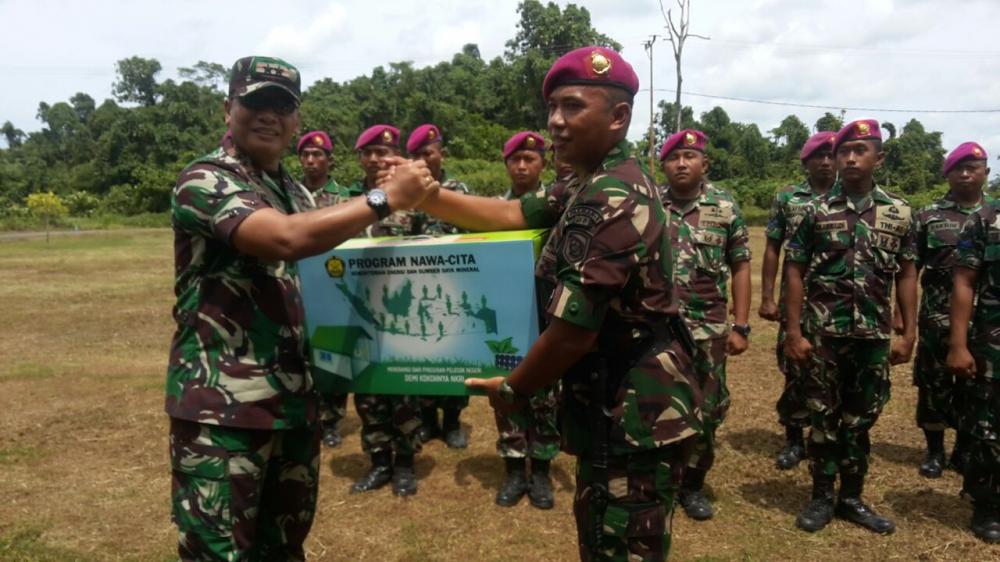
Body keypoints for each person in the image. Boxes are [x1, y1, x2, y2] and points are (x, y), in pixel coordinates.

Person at [411, 46, 702, 562]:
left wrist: (513, 387)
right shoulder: (583, 181)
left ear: (617, 117)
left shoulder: (611, 195)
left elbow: (575, 331)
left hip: (631, 406)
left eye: (572, 106)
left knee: (620, 541)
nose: (555, 122)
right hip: (614, 396)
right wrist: (424, 197)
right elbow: (509, 214)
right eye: (552, 109)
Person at [166, 56, 433, 560]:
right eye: (256, 102)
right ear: (228, 109)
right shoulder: (204, 179)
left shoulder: (294, 190)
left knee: (284, 547)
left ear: (296, 120)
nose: (269, 115)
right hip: (224, 411)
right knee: (220, 553)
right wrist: (384, 196)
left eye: (282, 105)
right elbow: (285, 239)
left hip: (293, 404)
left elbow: (347, 261)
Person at [784, 119, 917, 535]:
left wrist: (908, 332)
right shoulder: (814, 211)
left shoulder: (899, 212)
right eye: (844, 151)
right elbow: (794, 271)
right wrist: (793, 332)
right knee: (823, 417)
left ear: (880, 156)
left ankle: (852, 498)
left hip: (873, 336)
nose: (851, 157)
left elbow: (908, 273)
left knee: (861, 420)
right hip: (823, 334)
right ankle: (822, 497)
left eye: (861, 149)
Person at [658, 129, 751, 521]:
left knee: (707, 408)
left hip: (709, 329)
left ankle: (693, 485)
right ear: (663, 165)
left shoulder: (724, 206)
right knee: (659, 406)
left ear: (704, 164)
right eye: (674, 157)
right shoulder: (649, 203)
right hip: (657, 329)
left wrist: (741, 326)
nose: (682, 163)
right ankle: (662, 481)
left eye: (690, 156)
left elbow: (741, 264)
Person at [347, 124, 428, 496]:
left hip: (404, 315)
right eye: (370, 152)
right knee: (368, 392)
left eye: (385, 151)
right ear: (360, 159)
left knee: (405, 389)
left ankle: (406, 464)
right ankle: (379, 461)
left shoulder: (415, 206)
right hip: (359, 315)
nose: (377, 158)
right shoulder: (347, 204)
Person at [759, 132, 837, 469]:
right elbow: (773, 247)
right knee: (794, 367)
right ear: (805, 162)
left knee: (832, 369)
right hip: (796, 299)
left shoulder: (848, 197)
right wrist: (766, 296)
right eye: (817, 156)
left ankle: (826, 434)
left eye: (830, 155)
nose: (825, 161)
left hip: (835, 300)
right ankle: (794, 440)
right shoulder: (788, 198)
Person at [911, 142, 988, 478]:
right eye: (960, 168)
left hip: (987, 320)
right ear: (948, 174)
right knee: (934, 384)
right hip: (937, 316)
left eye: (974, 166)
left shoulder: (995, 216)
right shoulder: (929, 216)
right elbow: (909, 268)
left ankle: (965, 449)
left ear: (986, 171)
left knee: (977, 388)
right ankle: (934, 450)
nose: (967, 173)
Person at [492, 131, 559, 509]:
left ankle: (544, 470)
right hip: (506, 319)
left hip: (549, 316)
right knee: (506, 389)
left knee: (547, 395)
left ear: (542, 164)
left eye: (529, 159)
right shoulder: (492, 211)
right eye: (515, 160)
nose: (521, 166)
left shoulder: (560, 207)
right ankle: (515, 469)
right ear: (506, 165)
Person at [406, 124, 473, 449]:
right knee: (424, 353)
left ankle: (452, 422)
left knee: (454, 355)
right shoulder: (406, 192)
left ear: (440, 153)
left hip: (453, 289)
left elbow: (474, 234)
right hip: (418, 291)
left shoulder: (458, 189)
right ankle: (428, 421)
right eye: (415, 155)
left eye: (427, 153)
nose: (422, 160)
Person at [946, 142, 1000, 544]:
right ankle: (987, 504)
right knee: (989, 427)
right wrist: (959, 344)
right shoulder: (985, 222)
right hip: (993, 342)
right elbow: (964, 282)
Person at [297, 130, 349, 448]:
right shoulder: (292, 195)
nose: (311, 160)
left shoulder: (345, 197)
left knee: (334, 353)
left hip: (334, 285)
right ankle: (307, 412)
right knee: (302, 352)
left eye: (318, 155)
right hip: (300, 283)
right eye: (306, 155)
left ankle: (331, 419)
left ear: (329, 160)